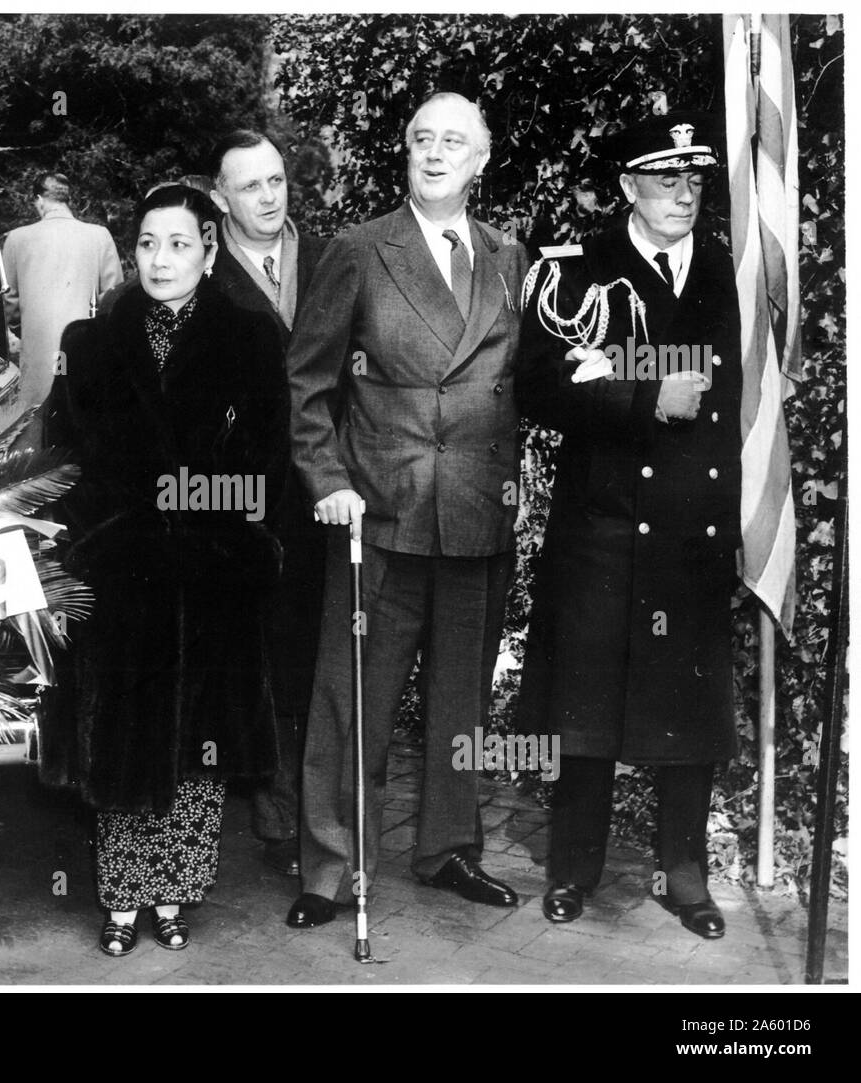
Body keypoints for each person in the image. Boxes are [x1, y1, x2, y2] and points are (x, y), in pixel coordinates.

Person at [285, 92, 530, 929]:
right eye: (422, 138)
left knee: (462, 700)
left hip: (475, 514)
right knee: (354, 697)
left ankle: (449, 847)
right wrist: (328, 480)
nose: (434, 152)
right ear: (406, 150)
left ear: (481, 159)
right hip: (378, 516)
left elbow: (525, 381)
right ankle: (330, 865)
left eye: (453, 141)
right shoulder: (360, 250)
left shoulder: (510, 257)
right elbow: (309, 381)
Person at [43, 184, 285, 956]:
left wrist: (207, 518)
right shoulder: (91, 342)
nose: (161, 259)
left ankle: (177, 893)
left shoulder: (251, 337)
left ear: (210, 251)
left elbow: (266, 464)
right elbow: (64, 460)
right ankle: (120, 899)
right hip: (122, 571)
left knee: (198, 743)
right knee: (121, 737)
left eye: (179, 243)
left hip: (212, 570)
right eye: (148, 242)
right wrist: (99, 538)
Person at [515, 113, 740, 939]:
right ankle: (574, 867)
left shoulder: (724, 269)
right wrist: (643, 396)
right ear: (626, 188)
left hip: (692, 524)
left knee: (685, 707)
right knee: (585, 707)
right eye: (663, 178)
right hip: (604, 524)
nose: (682, 194)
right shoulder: (579, 271)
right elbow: (538, 386)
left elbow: (738, 398)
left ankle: (685, 873)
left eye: (693, 180)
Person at [208, 130, 327, 877]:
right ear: (221, 197)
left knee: (306, 652)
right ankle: (253, 804)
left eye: (277, 180)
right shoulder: (201, 268)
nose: (268, 197)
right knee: (240, 655)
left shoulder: (326, 259)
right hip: (233, 500)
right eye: (250, 186)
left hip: (316, 493)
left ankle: (294, 815)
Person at [1, 173, 123, 411]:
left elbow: (10, 303)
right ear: (68, 199)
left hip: (37, 355)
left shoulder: (16, 239)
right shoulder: (99, 236)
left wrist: (23, 330)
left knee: (36, 426)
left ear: (39, 200)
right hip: (85, 352)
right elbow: (113, 298)